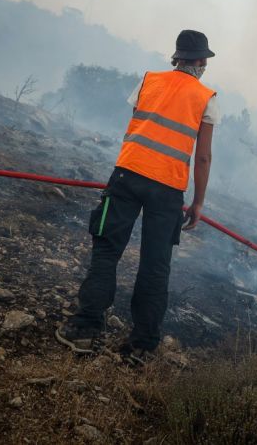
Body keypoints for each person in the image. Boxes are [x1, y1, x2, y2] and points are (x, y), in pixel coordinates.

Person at [56, 29, 218, 362]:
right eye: (204, 60)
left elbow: (136, 124)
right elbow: (203, 157)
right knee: (155, 266)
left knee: (107, 250)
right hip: (168, 189)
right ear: (200, 61)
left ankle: (85, 329)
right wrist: (198, 202)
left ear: (176, 57)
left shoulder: (148, 80)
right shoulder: (207, 97)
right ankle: (142, 346)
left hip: (128, 176)